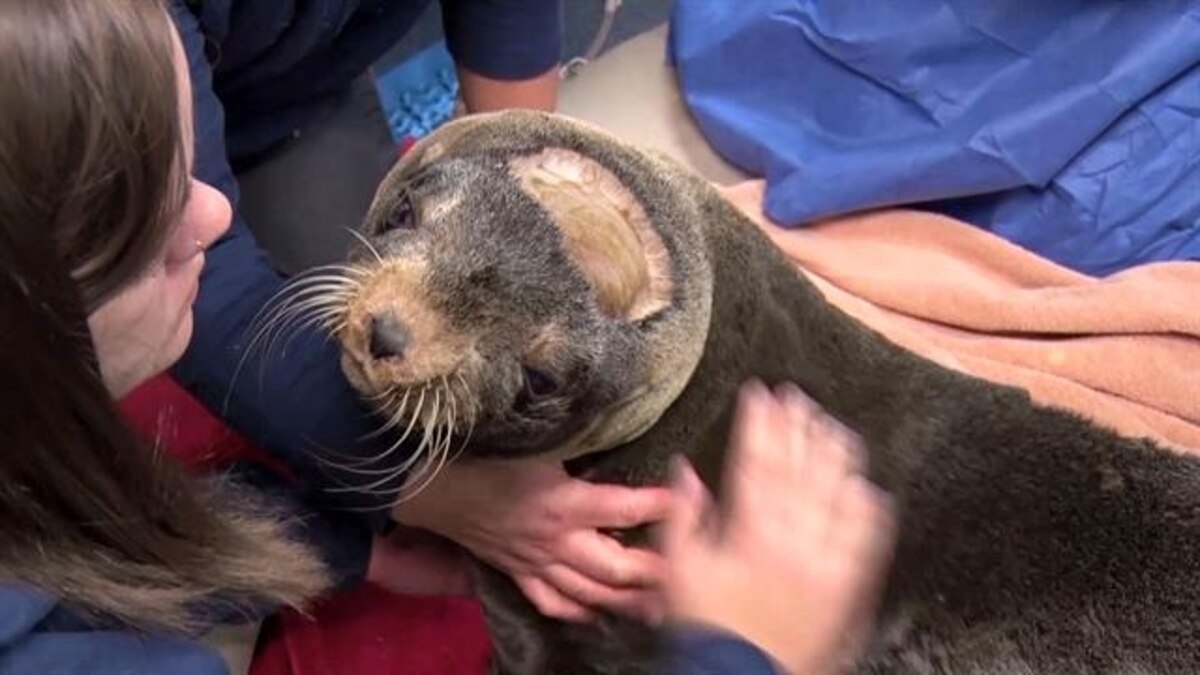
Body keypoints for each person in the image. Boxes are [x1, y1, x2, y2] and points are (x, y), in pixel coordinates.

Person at [0, 1, 897, 673]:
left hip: (287, 104)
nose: (215, 209)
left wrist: (343, 544)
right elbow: (224, 287)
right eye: (150, 226)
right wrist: (742, 649)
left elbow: (86, 548)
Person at [165, 0, 676, 622]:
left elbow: (510, 47)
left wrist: (533, 179)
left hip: (291, 99)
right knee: (212, 316)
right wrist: (437, 494)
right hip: (109, 112)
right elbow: (188, 268)